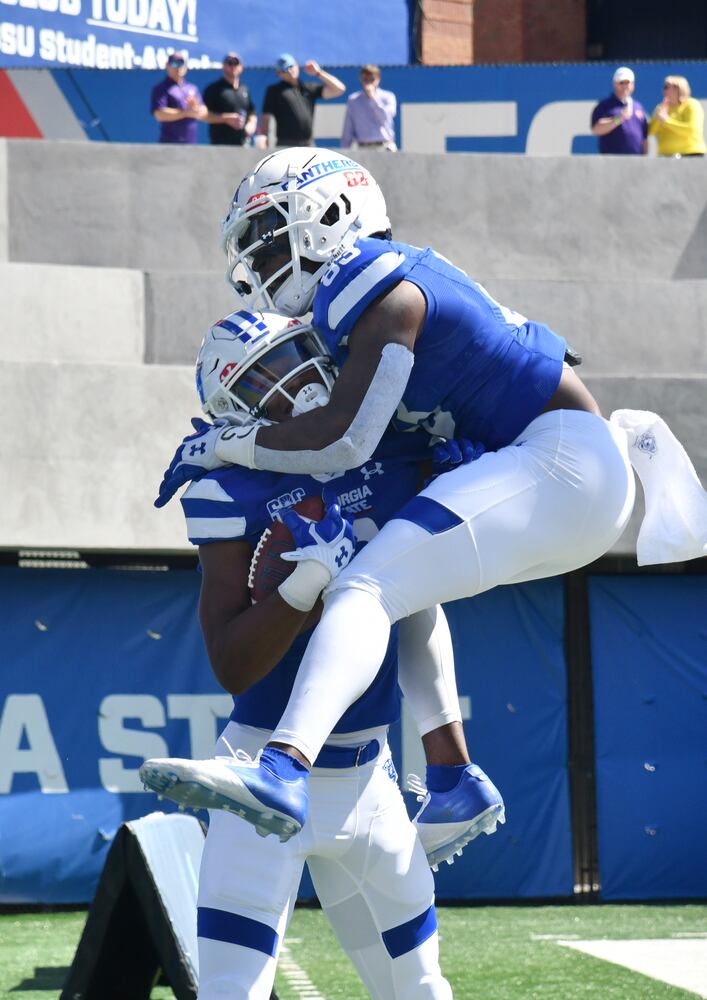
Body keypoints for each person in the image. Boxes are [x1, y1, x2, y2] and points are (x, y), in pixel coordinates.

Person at [147, 147, 635, 843]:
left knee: (363, 590)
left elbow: (341, 439)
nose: (260, 261)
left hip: (563, 461)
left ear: (327, 214)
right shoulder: (382, 289)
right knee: (399, 578)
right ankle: (451, 778)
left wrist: (220, 445)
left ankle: (282, 766)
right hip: (570, 471)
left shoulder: (366, 278)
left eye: (267, 235)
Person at [142, 310, 467, 998]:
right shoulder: (230, 487)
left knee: (421, 988)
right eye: (261, 374)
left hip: (372, 780)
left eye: (294, 354)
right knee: (234, 989)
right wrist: (301, 588)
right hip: (260, 779)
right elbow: (232, 665)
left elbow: (421, 607)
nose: (290, 378)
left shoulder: (392, 451)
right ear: (234, 409)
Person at [260, 53, 345, 148]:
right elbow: (266, 117)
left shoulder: (308, 88)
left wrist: (318, 73)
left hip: (308, 144)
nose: (289, 70)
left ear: (297, 66)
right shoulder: (274, 91)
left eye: (291, 66)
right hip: (286, 144)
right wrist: (264, 138)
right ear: (279, 74)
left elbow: (339, 89)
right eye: (284, 69)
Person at [150, 50, 207, 145]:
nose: (179, 67)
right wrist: (186, 113)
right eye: (175, 63)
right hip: (169, 145)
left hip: (191, 144)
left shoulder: (192, 88)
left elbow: (203, 111)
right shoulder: (161, 89)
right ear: (167, 66)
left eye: (181, 63)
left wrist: (196, 108)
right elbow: (159, 114)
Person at [203, 52, 257, 147]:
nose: (233, 66)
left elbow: (251, 112)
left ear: (241, 67)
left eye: (236, 63)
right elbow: (204, 115)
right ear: (224, 66)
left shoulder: (244, 89)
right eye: (229, 63)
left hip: (243, 144)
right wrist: (226, 119)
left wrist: (251, 125)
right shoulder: (214, 89)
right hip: (220, 145)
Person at [590, 66, 647, 155]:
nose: (625, 86)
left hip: (636, 161)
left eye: (627, 82)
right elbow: (596, 129)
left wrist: (645, 159)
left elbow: (644, 137)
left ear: (632, 84)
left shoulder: (638, 107)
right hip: (612, 161)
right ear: (614, 84)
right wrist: (618, 119)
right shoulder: (605, 105)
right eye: (621, 82)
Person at [341, 64, 397, 151]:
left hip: (384, 146)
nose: (368, 82)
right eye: (365, 79)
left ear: (378, 80)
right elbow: (348, 128)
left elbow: (385, 117)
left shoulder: (388, 97)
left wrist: (373, 98)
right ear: (361, 79)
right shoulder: (353, 100)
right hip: (363, 147)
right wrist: (344, 150)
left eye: (372, 79)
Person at [648, 75, 706, 157]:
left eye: (666, 87)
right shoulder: (661, 107)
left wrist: (667, 121)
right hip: (666, 155)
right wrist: (659, 119)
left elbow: (691, 129)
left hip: (691, 154)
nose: (663, 91)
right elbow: (651, 132)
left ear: (677, 89)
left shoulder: (692, 105)